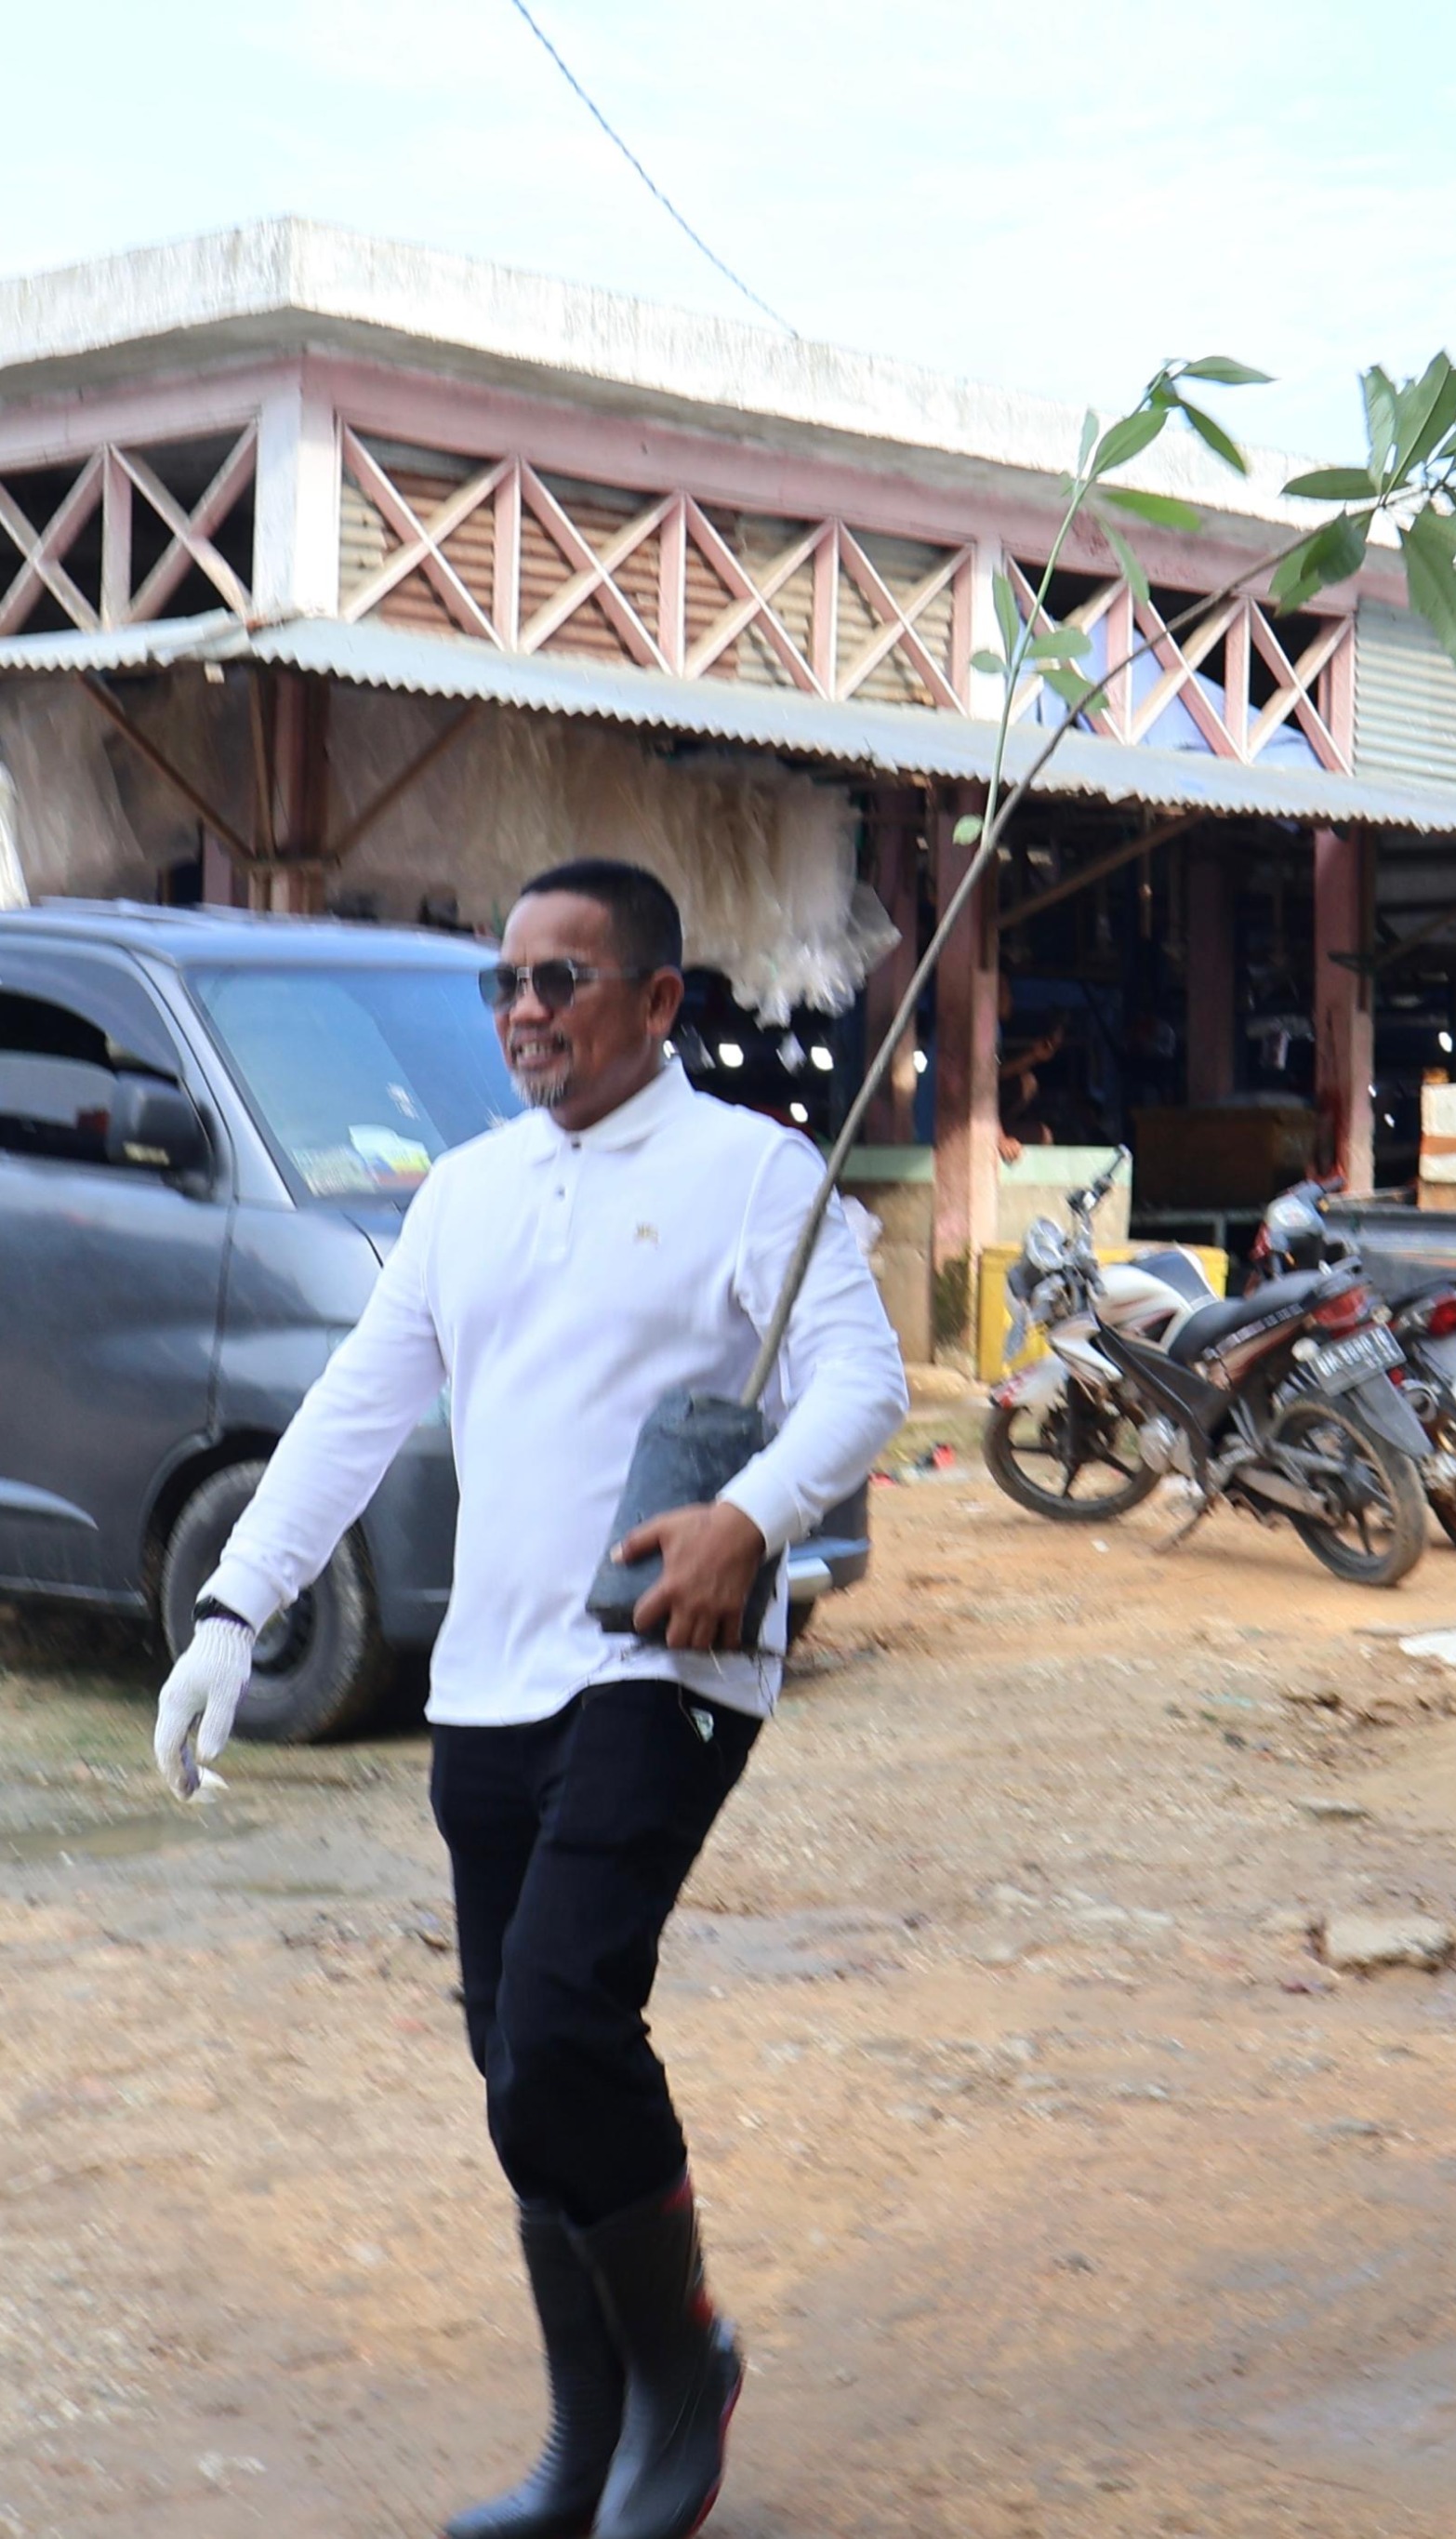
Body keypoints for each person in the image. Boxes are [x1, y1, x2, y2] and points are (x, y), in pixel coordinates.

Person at [150, 860, 907, 2539]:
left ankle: (681, 2368)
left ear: (658, 1002)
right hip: (487, 1682)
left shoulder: (750, 1173)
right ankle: (586, 2441)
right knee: (513, 2066)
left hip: (660, 1657)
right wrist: (231, 1610)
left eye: (566, 980)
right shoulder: (466, 1191)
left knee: (564, 2021)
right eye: (508, 982)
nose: (525, 1010)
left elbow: (860, 1382)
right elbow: (356, 1407)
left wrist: (750, 1517)